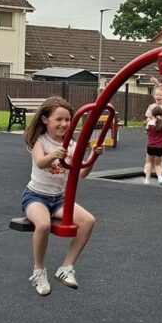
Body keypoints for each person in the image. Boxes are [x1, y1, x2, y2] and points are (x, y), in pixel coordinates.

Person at [20, 96, 101, 296]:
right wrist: (54, 155)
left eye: (67, 120)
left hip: (58, 199)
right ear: (45, 119)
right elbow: (40, 163)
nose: (64, 124)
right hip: (36, 197)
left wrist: (93, 157)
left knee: (88, 221)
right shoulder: (40, 141)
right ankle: (39, 271)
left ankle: (66, 268)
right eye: (59, 119)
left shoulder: (71, 145)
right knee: (43, 225)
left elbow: (81, 173)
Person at [142, 103, 162, 184]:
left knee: (149, 163)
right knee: (157, 164)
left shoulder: (150, 123)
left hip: (151, 146)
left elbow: (146, 132)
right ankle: (160, 178)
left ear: (152, 114)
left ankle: (147, 180)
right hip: (160, 147)